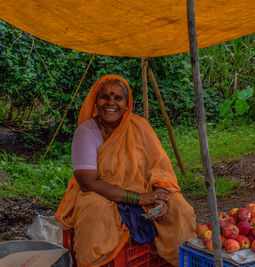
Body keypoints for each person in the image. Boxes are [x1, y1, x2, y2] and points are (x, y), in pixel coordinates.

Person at [55, 74, 196, 266]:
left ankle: (179, 261)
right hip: (100, 194)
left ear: (127, 103)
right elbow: (88, 183)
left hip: (143, 190)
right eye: (105, 97)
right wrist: (140, 199)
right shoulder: (86, 132)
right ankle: (96, 262)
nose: (110, 103)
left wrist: (160, 197)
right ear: (96, 101)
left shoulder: (140, 127)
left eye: (118, 98)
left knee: (179, 207)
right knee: (94, 208)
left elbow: (159, 169)